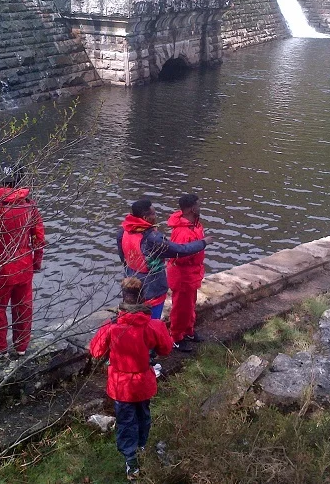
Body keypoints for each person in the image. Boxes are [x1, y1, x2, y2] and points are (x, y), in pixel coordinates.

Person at [89, 277, 173, 481]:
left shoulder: (111, 327)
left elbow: (96, 351)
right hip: (143, 382)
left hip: (121, 386)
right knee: (143, 415)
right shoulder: (154, 325)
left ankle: (131, 462)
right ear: (143, 298)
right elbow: (166, 349)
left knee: (126, 421)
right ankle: (142, 446)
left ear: (123, 299)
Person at [0, 166, 45, 358]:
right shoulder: (30, 206)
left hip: (0, 265)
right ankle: (21, 346)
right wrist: (36, 262)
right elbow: (38, 237)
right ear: (20, 182)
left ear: (2, 182)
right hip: (24, 264)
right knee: (23, 307)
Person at [117, 199, 211, 349]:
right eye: (154, 213)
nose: (156, 216)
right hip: (152, 286)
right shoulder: (153, 238)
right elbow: (180, 250)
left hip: (132, 283)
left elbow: (123, 257)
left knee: (134, 319)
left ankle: (141, 350)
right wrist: (203, 243)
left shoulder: (123, 231)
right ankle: (149, 355)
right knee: (151, 321)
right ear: (146, 218)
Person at [167, 194, 207, 349]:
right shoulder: (183, 232)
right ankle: (176, 337)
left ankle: (188, 330)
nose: (200, 207)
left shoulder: (195, 225)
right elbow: (179, 257)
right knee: (180, 308)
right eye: (198, 205)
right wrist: (198, 247)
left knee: (190, 305)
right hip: (183, 275)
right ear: (191, 208)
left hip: (193, 273)